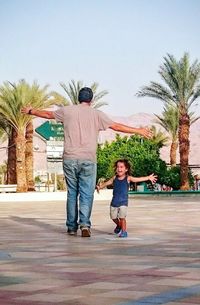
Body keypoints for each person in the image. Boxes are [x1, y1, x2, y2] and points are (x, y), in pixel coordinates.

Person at [21, 87, 152, 238]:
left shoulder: (67, 111)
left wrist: (31, 111)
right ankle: (84, 225)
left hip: (70, 158)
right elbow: (116, 126)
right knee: (86, 194)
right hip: (89, 160)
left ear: (78, 98)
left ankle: (71, 227)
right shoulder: (97, 114)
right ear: (91, 100)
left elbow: (48, 114)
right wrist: (138, 131)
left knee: (72, 193)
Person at [96, 159, 157, 238]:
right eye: (118, 167)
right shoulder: (114, 178)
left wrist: (148, 178)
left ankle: (124, 231)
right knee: (113, 217)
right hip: (114, 202)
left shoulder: (128, 178)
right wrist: (100, 187)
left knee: (122, 217)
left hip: (123, 202)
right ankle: (119, 225)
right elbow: (107, 183)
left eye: (121, 167)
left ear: (126, 169)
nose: (119, 169)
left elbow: (138, 179)